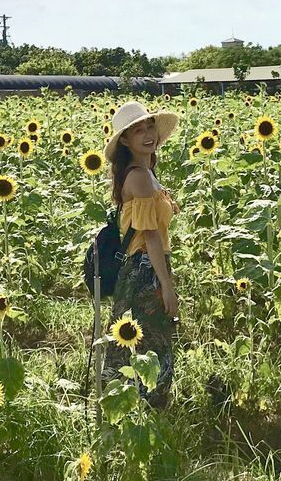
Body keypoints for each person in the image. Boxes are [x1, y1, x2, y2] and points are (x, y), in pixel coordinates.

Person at [101, 100, 181, 408]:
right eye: (138, 131)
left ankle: (128, 403)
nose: (148, 134)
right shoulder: (140, 176)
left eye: (150, 126)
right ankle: (148, 407)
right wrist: (167, 285)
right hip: (146, 268)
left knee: (136, 338)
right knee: (153, 341)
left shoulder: (143, 171)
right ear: (125, 139)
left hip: (143, 266)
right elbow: (150, 236)